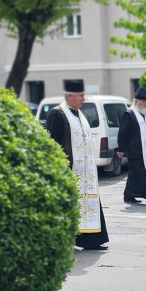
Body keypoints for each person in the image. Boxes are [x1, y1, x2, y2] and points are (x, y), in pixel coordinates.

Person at [44, 78, 109, 250]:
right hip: (68, 171)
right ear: (70, 95)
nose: (84, 99)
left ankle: (90, 240)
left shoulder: (80, 115)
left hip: (85, 172)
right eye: (81, 95)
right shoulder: (57, 114)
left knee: (88, 203)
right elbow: (52, 143)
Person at [116, 85, 146, 205]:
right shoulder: (129, 114)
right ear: (136, 101)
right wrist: (121, 149)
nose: (145, 104)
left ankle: (129, 195)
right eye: (143, 101)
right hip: (134, 150)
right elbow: (123, 133)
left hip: (144, 151)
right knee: (140, 173)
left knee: (134, 175)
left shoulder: (144, 115)